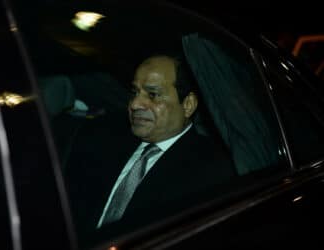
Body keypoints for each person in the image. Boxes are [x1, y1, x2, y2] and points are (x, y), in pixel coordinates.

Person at [64, 54, 236, 246]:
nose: (135, 104)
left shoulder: (212, 171)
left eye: (153, 94)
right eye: (135, 92)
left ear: (187, 105)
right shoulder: (104, 138)